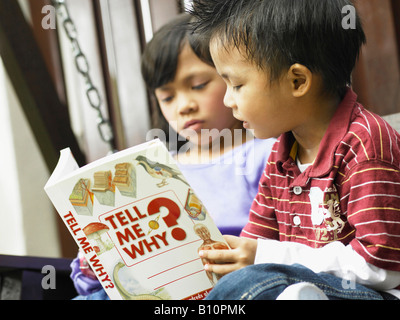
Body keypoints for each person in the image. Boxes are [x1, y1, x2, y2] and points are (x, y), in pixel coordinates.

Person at [190, 0, 400, 300]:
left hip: (370, 294)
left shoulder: (366, 143)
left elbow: (381, 267)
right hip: (292, 285)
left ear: (297, 80)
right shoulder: (282, 153)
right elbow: (256, 240)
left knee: (256, 284)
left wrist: (264, 257)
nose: (228, 100)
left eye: (236, 85)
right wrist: (231, 256)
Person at [71, 13, 275, 299]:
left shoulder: (266, 155)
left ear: (233, 79)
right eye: (168, 97)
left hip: (232, 285)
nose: (184, 106)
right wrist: (92, 265)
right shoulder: (153, 169)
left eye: (199, 85)